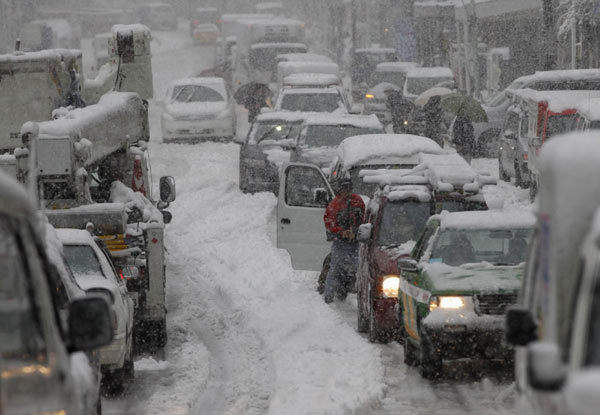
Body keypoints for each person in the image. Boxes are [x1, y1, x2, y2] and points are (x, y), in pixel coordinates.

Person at [322, 178, 365, 303]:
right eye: (344, 189)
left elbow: (364, 218)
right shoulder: (334, 205)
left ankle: (362, 297)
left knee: (360, 269)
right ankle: (328, 295)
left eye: (348, 189)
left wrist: (355, 232)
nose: (346, 192)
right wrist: (342, 232)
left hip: (356, 242)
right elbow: (329, 223)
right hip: (340, 242)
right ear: (340, 190)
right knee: (334, 267)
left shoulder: (358, 201)